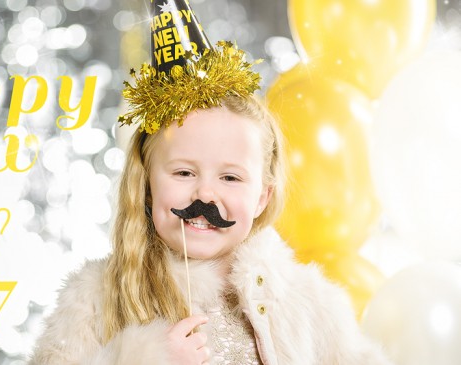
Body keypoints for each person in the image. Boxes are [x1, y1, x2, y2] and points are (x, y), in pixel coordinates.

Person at [29, 1, 392, 364]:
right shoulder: (94, 302)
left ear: (262, 198)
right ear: (147, 186)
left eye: (230, 177)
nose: (205, 193)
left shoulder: (311, 307)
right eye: (184, 173)